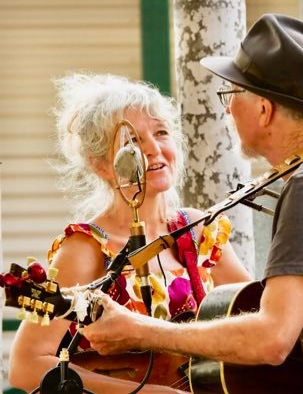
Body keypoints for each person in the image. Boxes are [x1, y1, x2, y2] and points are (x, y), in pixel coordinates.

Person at [82, 13, 303, 394]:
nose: (227, 111)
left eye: (231, 95)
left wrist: (141, 331)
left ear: (263, 109)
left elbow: (272, 339)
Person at [8, 73, 251, 394]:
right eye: (132, 142)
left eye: (161, 132)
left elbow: (256, 322)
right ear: (101, 166)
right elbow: (25, 367)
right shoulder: (87, 247)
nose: (153, 149)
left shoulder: (199, 232)